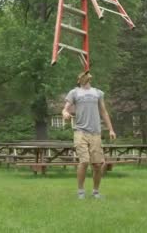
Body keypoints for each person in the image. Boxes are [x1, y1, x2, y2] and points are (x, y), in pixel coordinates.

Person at [62, 71, 116, 199]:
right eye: (82, 75)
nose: (86, 76)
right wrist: (65, 113)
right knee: (84, 161)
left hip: (95, 132)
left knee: (97, 164)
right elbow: (65, 109)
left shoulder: (98, 93)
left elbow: (103, 112)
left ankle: (95, 192)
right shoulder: (74, 92)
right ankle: (81, 192)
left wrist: (111, 129)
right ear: (79, 80)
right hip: (80, 131)